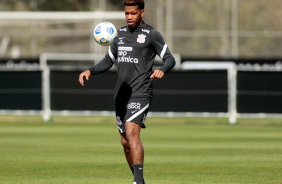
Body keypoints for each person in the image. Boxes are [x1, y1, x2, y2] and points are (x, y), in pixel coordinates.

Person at [78, 0, 175, 183]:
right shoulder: (119, 35)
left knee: (131, 133)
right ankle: (140, 180)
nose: (129, 17)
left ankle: (137, 182)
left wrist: (163, 69)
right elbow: (108, 60)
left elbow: (170, 58)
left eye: (133, 13)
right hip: (120, 96)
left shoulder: (151, 34)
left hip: (141, 91)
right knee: (125, 142)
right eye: (126, 13)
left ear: (142, 12)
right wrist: (90, 70)